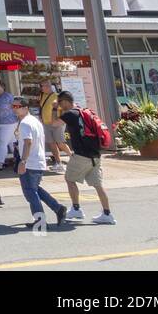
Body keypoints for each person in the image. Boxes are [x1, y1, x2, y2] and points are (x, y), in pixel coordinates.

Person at [56, 91, 115, 225]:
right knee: (98, 186)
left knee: (69, 179)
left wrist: (54, 109)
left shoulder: (71, 114)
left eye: (60, 103)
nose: (59, 106)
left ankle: (76, 209)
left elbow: (54, 123)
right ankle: (107, 214)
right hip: (95, 155)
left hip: (81, 155)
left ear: (65, 102)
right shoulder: (83, 111)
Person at [13, 95, 68, 227]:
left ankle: (40, 219)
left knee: (30, 192)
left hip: (31, 162)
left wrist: (23, 161)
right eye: (13, 106)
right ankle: (58, 208)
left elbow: (28, 142)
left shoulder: (26, 123)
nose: (14, 109)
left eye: (17, 107)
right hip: (38, 161)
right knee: (35, 189)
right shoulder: (34, 121)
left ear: (25, 108)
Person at [38, 79, 69, 171]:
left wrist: (61, 121)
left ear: (47, 86)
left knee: (60, 143)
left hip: (56, 124)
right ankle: (58, 163)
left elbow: (64, 109)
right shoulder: (42, 95)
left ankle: (72, 157)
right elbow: (41, 107)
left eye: (41, 86)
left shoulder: (57, 96)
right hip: (46, 123)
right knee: (51, 144)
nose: (40, 88)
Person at [0, 80, 17, 169]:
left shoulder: (9, 96)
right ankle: (19, 160)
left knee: (2, 142)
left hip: (9, 123)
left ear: (3, 87)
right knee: (12, 143)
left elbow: (15, 107)